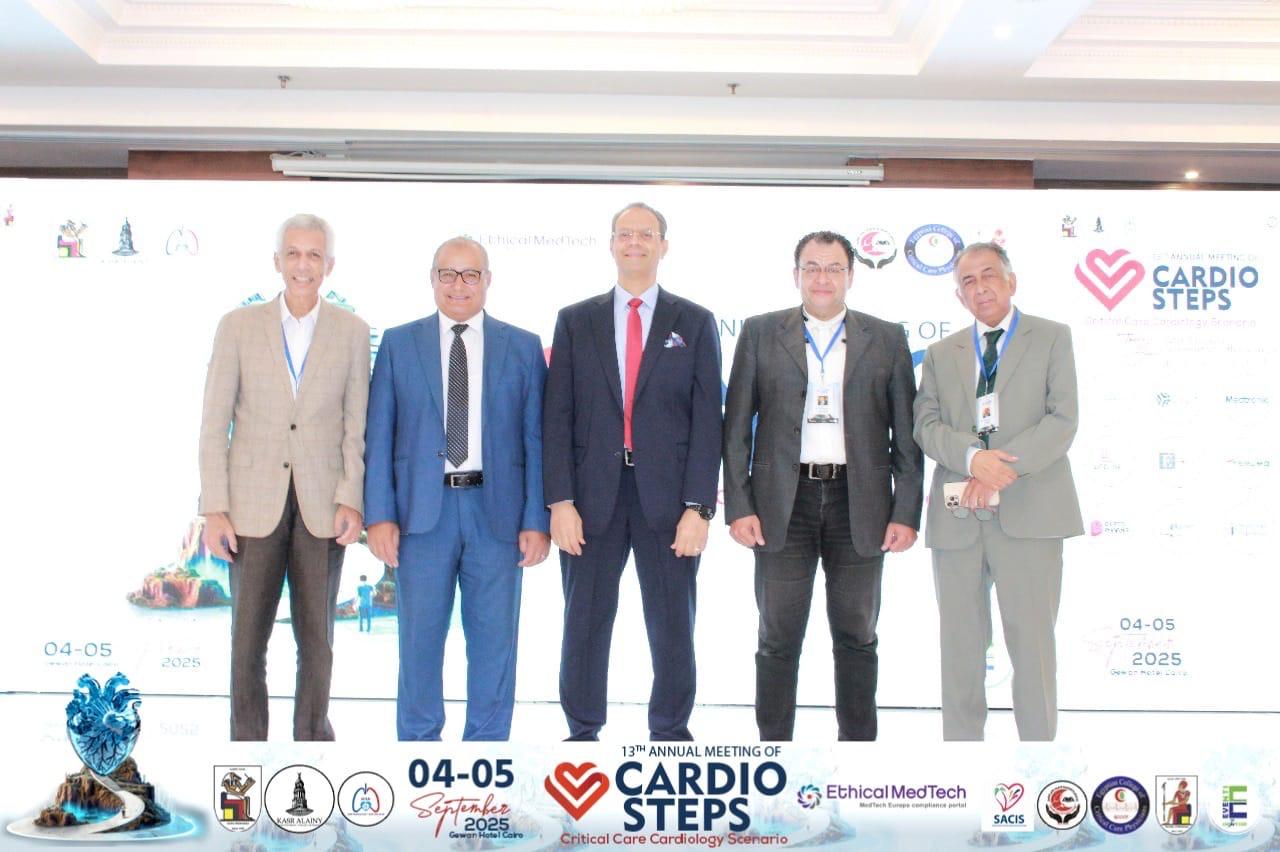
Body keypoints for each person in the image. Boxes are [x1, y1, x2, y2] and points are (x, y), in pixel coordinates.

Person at [722, 230, 923, 741]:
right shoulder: (760, 332)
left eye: (834, 268)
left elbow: (907, 435)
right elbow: (736, 426)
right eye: (811, 267)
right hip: (780, 506)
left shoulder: (887, 338)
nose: (822, 278)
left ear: (851, 276)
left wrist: (905, 511)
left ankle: (858, 756)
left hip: (861, 503)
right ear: (796, 275)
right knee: (777, 637)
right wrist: (739, 505)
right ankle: (774, 756)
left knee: (857, 635)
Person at [543, 202, 722, 741]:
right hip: (590, 499)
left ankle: (670, 731)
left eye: (647, 234)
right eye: (626, 233)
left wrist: (699, 508)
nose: (635, 242)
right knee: (584, 621)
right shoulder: (576, 320)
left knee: (672, 624)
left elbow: (707, 422)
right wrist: (560, 501)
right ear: (611, 244)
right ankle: (582, 732)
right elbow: (557, 416)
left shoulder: (695, 322)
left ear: (664, 245)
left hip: (668, 501)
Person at [364, 236, 550, 741]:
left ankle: (486, 751)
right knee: (418, 642)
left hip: (498, 517)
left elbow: (537, 440)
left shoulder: (523, 346)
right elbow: (379, 435)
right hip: (423, 517)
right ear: (432, 279)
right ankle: (418, 748)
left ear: (488, 280)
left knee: (494, 644)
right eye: (448, 273)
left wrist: (536, 520)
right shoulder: (399, 344)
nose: (459, 285)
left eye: (470, 274)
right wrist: (379, 515)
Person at [198, 213, 369, 741]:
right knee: (247, 640)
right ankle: (247, 754)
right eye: (293, 253)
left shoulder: (352, 331)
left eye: (314, 255)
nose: (303, 264)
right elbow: (214, 423)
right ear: (277, 261)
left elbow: (356, 426)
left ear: (329, 265)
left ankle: (313, 747)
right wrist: (214, 508)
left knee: (317, 642)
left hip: (323, 507)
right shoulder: (237, 326)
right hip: (251, 508)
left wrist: (351, 498)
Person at [913, 241, 1082, 741]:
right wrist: (972, 458)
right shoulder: (942, 354)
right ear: (958, 295)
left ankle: (1040, 765)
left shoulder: (1051, 337)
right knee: (960, 648)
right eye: (968, 281)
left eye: (989, 275)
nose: (980, 287)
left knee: (1032, 646)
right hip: (958, 519)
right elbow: (926, 424)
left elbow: (1062, 419)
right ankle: (963, 767)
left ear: (1011, 281)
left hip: (1030, 513)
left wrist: (998, 469)